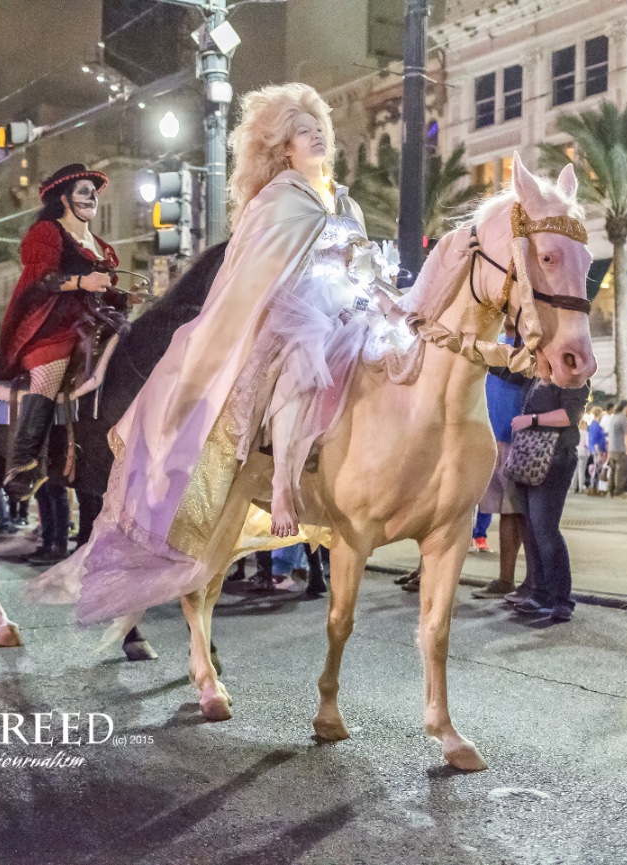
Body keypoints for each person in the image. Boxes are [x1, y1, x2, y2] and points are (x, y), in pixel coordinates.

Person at [31, 83, 395, 624]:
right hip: (289, 314)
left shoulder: (347, 203)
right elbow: (253, 273)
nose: (315, 135)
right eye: (301, 131)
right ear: (282, 150)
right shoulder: (276, 200)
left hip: (349, 314)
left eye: (318, 127)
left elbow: (364, 263)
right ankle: (282, 488)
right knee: (298, 360)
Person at [0, 163, 128, 501]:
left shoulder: (100, 245)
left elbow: (103, 289)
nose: (92, 196)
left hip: (96, 320)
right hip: (52, 323)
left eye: (94, 191)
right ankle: (22, 462)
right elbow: (43, 280)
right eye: (84, 190)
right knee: (49, 375)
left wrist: (121, 295)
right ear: (64, 198)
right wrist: (84, 281)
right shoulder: (47, 233)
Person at [510, 378, 591, 622]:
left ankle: (561, 598)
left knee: (545, 529)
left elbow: (571, 415)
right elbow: (504, 368)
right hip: (528, 455)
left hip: (555, 455)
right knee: (532, 528)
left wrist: (532, 420)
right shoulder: (534, 370)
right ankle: (540, 593)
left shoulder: (572, 371)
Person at [472, 326, 527, 599]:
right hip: (479, 433)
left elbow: (519, 375)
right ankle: (427, 571)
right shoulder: (490, 339)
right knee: (452, 505)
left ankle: (506, 579)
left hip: (510, 437)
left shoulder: (529, 342)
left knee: (511, 510)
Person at [606, 400, 627, 498]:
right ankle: (619, 491)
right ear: (626, 407)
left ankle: (610, 491)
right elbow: (626, 435)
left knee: (613, 471)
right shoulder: (624, 419)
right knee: (621, 472)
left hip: (612, 448)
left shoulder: (614, 418)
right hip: (621, 449)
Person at [586, 406, 606, 495]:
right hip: (596, 450)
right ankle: (593, 488)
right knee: (596, 470)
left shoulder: (595, 425)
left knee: (597, 470)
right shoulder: (595, 426)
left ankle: (594, 487)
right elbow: (595, 441)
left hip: (596, 450)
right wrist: (598, 453)